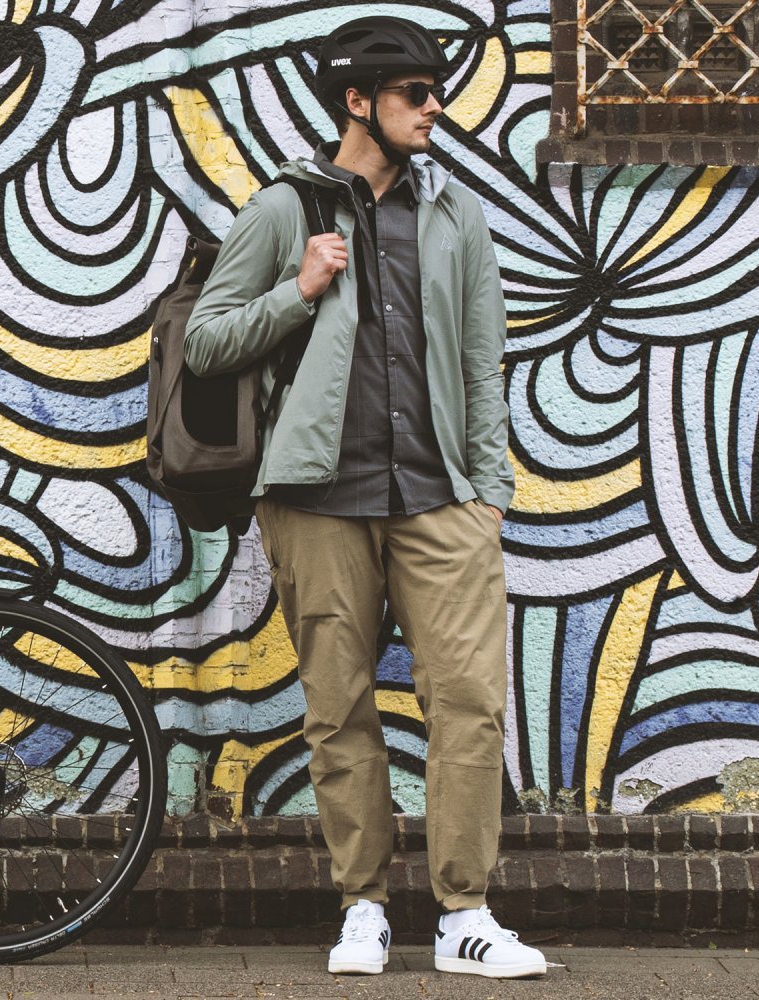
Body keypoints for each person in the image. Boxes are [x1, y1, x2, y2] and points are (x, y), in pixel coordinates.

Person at [181, 15, 546, 981]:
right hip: (315, 501)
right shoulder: (281, 210)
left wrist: (490, 492)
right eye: (415, 94)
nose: (437, 108)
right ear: (357, 101)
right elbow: (206, 345)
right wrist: (297, 290)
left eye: (437, 91)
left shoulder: (454, 214)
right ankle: (365, 906)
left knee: (468, 703)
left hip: (441, 499)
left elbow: (481, 357)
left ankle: (466, 911)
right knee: (338, 708)